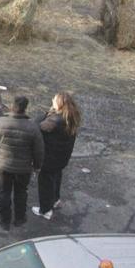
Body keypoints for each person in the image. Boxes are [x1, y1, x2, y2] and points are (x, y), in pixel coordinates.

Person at [0, 95, 44, 229]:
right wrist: (37, 166)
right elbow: (39, 150)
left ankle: (5, 220)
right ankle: (20, 218)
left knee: (3, 193)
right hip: (23, 168)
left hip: (2, 165)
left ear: (12, 106)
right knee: (21, 192)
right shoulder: (33, 127)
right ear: (25, 108)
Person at [32, 92, 81, 221]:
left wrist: (46, 114)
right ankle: (55, 200)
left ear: (59, 104)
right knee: (56, 178)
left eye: (54, 99)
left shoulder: (54, 121)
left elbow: (36, 127)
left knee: (45, 183)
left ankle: (45, 210)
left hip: (49, 159)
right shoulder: (70, 117)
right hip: (61, 158)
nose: (52, 100)